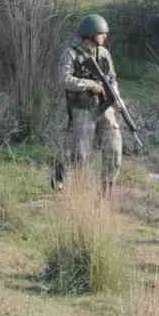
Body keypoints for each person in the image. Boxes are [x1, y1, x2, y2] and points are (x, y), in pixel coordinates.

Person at [54, 14, 123, 198]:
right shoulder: (71, 53)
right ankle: (68, 182)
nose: (105, 37)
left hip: (104, 107)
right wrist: (90, 84)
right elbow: (63, 79)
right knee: (80, 155)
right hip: (81, 109)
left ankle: (106, 191)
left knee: (115, 147)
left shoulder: (104, 54)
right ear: (91, 34)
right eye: (102, 33)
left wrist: (116, 98)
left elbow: (112, 78)